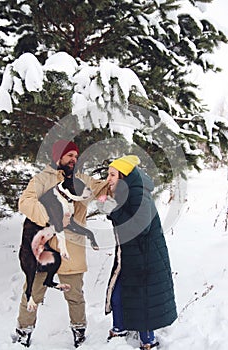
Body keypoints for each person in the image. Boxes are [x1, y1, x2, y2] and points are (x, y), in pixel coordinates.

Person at [13, 139, 109, 348]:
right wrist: (49, 215)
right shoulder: (41, 180)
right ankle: (23, 332)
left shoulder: (82, 179)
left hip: (71, 248)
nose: (74, 159)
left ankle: (79, 331)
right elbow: (25, 202)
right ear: (58, 157)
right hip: (43, 249)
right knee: (33, 293)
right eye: (70, 156)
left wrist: (121, 178)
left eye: (76, 156)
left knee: (75, 295)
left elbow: (103, 189)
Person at [96, 155, 177, 350]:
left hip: (145, 258)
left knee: (143, 297)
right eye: (108, 174)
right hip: (130, 255)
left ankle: (147, 341)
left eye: (112, 174)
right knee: (118, 292)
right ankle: (119, 328)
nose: (109, 178)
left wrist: (113, 210)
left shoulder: (139, 194)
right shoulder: (127, 192)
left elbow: (141, 227)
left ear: (124, 176)